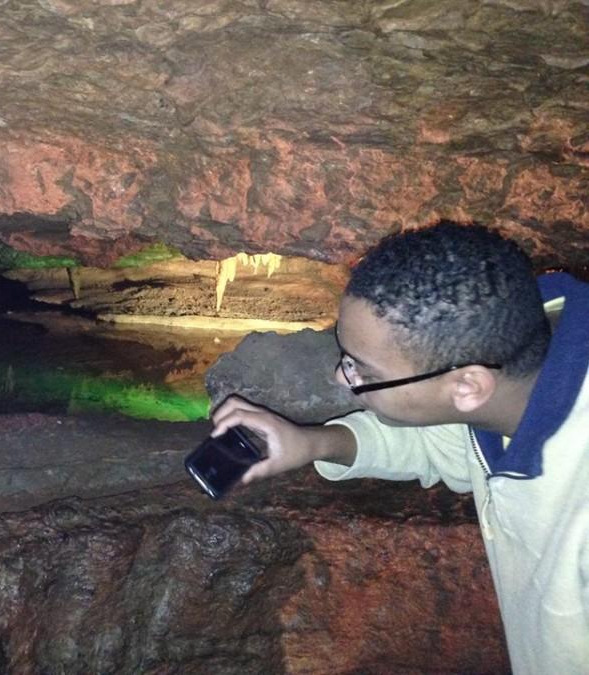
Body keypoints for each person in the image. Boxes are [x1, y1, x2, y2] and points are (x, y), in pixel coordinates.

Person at [211, 221, 588, 674]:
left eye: (364, 371)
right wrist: (312, 443)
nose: (341, 378)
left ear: (468, 385)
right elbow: (439, 447)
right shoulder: (523, 369)